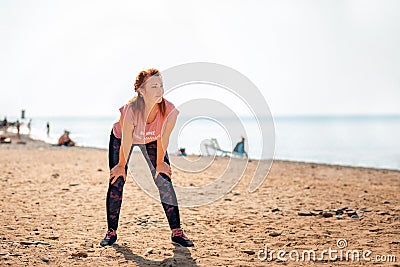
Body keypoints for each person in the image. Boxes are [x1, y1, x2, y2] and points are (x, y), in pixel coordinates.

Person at [100, 68, 194, 247]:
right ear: (141, 91)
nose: (159, 90)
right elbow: (127, 141)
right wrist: (120, 165)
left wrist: (160, 164)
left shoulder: (170, 110)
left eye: (161, 86)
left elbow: (163, 138)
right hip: (123, 138)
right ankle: (111, 232)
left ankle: (177, 232)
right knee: (117, 179)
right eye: (153, 87)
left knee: (163, 180)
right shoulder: (130, 110)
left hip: (152, 139)